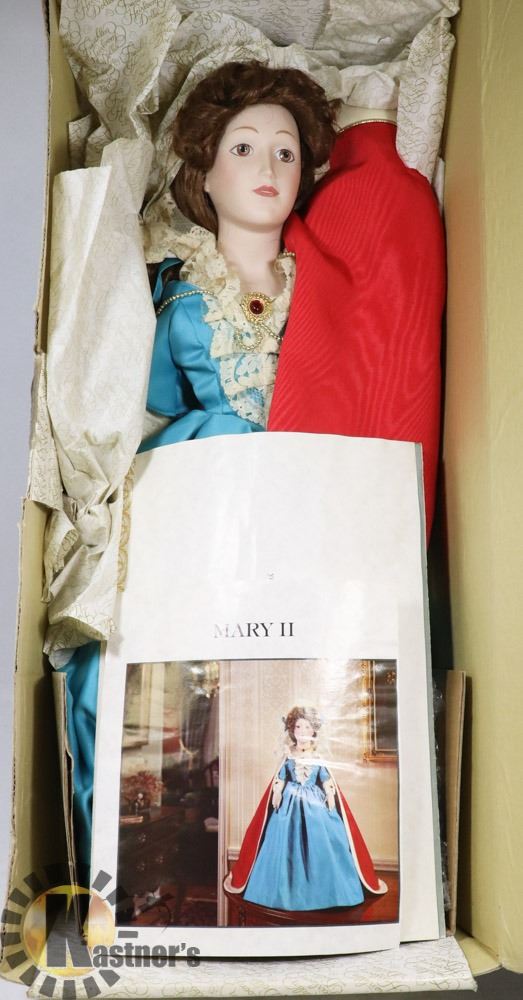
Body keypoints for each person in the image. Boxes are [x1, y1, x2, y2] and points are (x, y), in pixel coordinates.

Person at [62, 59, 444, 868]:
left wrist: (370, 131)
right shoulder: (176, 283)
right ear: (204, 168)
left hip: (311, 476)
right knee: (138, 649)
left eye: (285, 152)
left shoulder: (325, 269)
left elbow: (390, 290)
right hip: (206, 477)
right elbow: (145, 391)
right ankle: (125, 857)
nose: (267, 166)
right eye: (243, 147)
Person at [225, 706, 387, 911]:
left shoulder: (317, 757)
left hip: (315, 802)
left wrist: (330, 793)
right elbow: (281, 777)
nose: (302, 731)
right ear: (292, 730)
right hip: (289, 803)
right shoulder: (288, 756)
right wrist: (277, 792)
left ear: (314, 731)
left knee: (323, 839)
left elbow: (325, 778)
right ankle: (282, 890)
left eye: (307, 727)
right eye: (298, 727)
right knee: (281, 838)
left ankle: (327, 890)